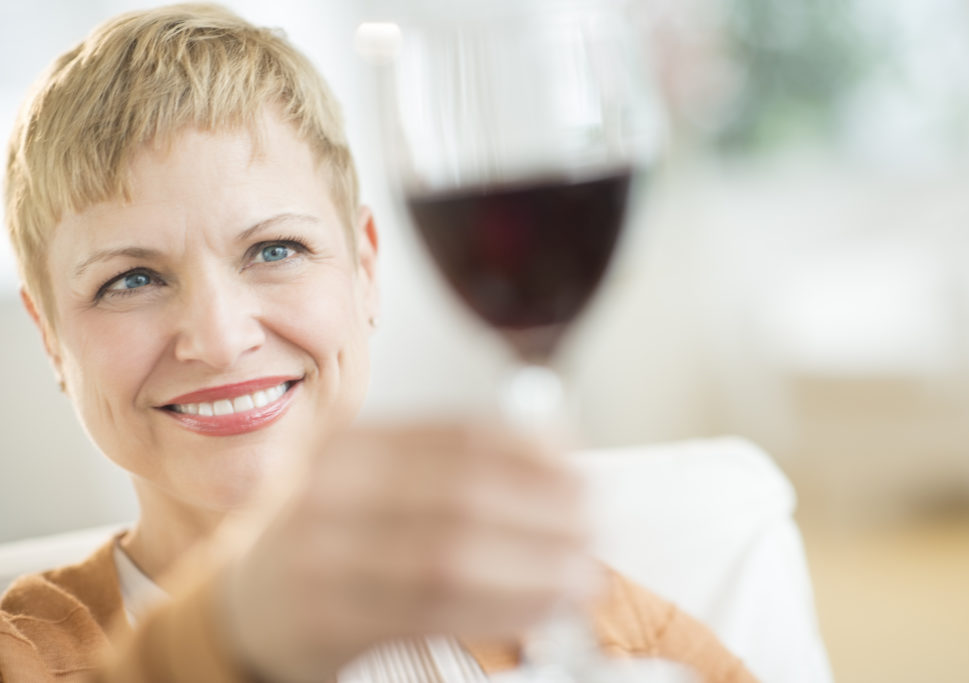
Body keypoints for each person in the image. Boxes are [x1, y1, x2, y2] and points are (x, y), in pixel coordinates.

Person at [1, 4, 757, 682]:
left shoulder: (609, 632)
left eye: (274, 250)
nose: (221, 339)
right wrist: (235, 625)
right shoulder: (26, 652)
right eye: (131, 280)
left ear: (365, 267)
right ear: (49, 335)